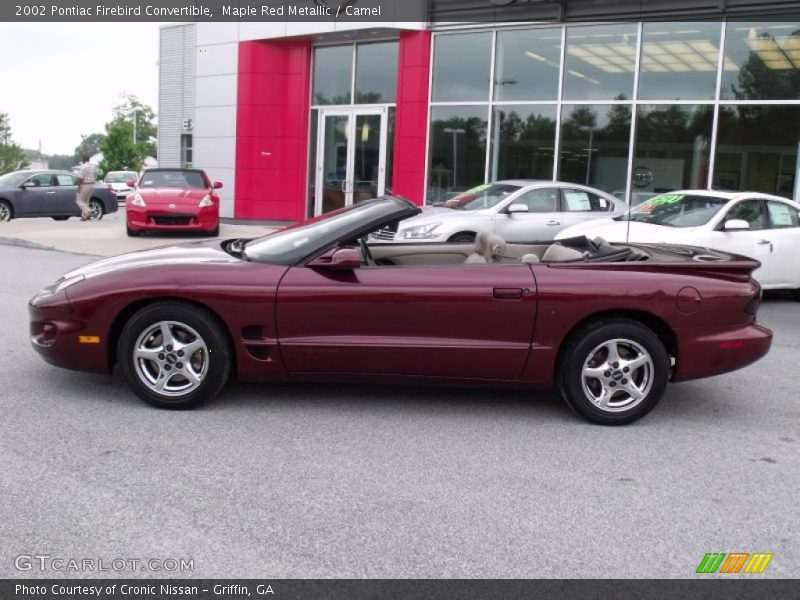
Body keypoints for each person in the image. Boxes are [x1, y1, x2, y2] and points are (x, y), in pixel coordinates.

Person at [75, 155, 99, 221]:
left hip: (85, 184)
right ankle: (85, 217)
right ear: (89, 159)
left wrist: (79, 186)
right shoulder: (93, 166)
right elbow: (97, 174)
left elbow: (80, 178)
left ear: (83, 160)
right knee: (86, 201)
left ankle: (88, 210)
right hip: (92, 184)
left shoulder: (83, 167)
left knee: (79, 200)